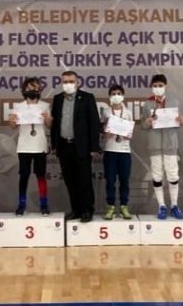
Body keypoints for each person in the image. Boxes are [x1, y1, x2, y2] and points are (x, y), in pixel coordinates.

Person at [51, 71, 100, 223]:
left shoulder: (87, 98)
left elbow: (94, 123)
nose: (68, 84)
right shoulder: (58, 99)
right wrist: (54, 145)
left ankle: (87, 210)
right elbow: (55, 124)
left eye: (71, 81)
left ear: (78, 82)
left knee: (84, 180)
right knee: (70, 181)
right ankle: (76, 210)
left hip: (82, 146)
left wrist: (94, 147)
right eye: (65, 81)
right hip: (64, 145)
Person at [141, 74, 183, 220]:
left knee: (173, 175)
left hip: (170, 144)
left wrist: (181, 120)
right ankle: (161, 206)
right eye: (155, 86)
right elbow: (142, 125)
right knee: (157, 175)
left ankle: (174, 205)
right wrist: (147, 122)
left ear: (165, 86)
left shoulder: (174, 102)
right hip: (154, 145)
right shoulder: (147, 104)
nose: (157, 88)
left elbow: (179, 122)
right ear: (151, 87)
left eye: (160, 85)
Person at [8, 77, 52, 216]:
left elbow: (49, 125)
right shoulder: (18, 106)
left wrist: (48, 119)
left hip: (40, 144)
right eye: (29, 88)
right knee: (24, 175)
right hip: (24, 145)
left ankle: (44, 204)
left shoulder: (45, 105)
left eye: (35, 88)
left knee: (41, 175)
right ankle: (21, 205)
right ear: (24, 90)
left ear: (39, 90)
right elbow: (13, 126)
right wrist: (11, 120)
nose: (32, 90)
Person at [100, 84, 133, 220]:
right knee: (110, 181)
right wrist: (105, 132)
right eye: (113, 94)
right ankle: (111, 207)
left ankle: (124, 206)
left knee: (124, 180)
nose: (116, 96)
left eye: (119, 93)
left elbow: (130, 132)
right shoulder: (106, 112)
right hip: (110, 150)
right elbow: (102, 130)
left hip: (124, 151)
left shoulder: (128, 112)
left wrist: (128, 134)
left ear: (123, 96)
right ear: (109, 96)